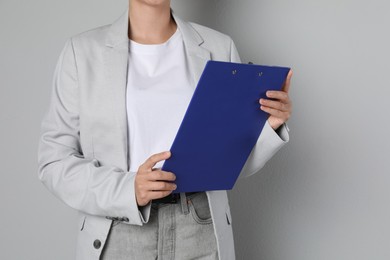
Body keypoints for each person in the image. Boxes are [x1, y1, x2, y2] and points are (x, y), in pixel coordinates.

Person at [37, 0, 292, 259]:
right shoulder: (81, 53)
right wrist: (128, 189)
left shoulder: (219, 47)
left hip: (198, 224)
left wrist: (268, 127)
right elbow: (54, 162)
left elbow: (230, 163)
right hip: (118, 229)